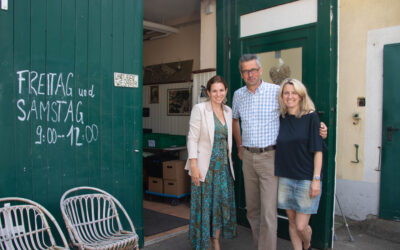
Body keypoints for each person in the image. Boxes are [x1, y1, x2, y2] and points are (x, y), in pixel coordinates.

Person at [232, 54, 327, 250]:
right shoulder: (237, 95)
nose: (250, 74)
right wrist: (240, 145)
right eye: (245, 71)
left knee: (268, 213)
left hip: (271, 157)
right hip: (248, 158)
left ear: (260, 70)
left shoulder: (276, 92)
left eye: (253, 70)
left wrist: (319, 127)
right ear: (241, 74)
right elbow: (234, 120)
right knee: (252, 210)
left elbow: (298, 110)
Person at [185, 75, 237, 250]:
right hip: (204, 168)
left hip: (223, 169)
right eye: (214, 91)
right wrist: (193, 166)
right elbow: (192, 139)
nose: (218, 94)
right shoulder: (200, 109)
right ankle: (203, 243)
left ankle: (215, 240)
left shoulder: (229, 111)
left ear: (226, 91)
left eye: (221, 90)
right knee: (204, 207)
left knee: (220, 207)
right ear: (208, 92)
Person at [275, 78, 324, 250]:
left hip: (306, 179)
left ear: (301, 96)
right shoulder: (280, 118)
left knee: (301, 226)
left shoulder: (311, 117)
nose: (290, 96)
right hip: (285, 178)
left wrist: (316, 179)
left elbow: (318, 150)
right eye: (286, 93)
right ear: (282, 96)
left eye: (294, 93)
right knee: (292, 221)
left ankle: (307, 244)